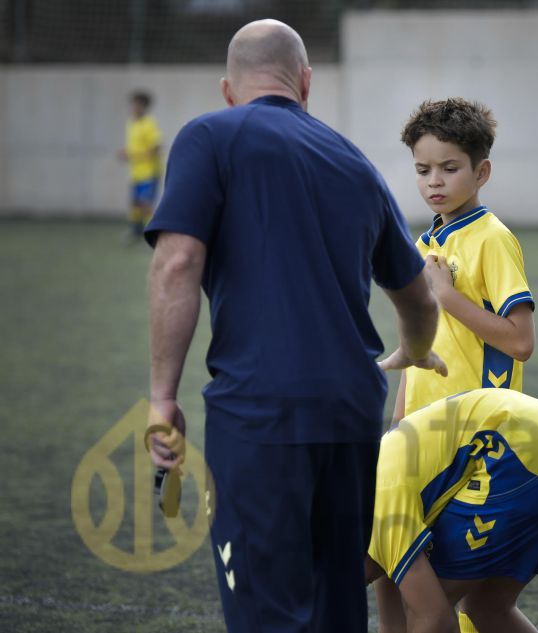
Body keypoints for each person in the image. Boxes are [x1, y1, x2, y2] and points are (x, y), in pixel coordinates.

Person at [144, 19, 445, 633]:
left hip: (262, 412)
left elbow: (177, 261)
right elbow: (419, 298)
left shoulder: (209, 136)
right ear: (305, 83)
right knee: (338, 606)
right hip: (351, 414)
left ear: (228, 89)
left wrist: (161, 398)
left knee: (267, 611)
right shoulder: (355, 163)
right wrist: (413, 351)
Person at [364, 388, 538, 633]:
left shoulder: (383, 518)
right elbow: (392, 625)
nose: (361, 584)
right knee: (487, 607)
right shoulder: (368, 511)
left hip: (532, 457)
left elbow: (435, 620)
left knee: (428, 605)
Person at [380, 98, 536, 426]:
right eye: (423, 170)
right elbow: (418, 343)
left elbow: (521, 343)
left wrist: (448, 298)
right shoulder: (423, 245)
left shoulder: (492, 239)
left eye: (449, 169)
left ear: (481, 172)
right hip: (423, 424)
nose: (434, 180)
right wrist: (398, 421)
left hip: (476, 427)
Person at [118, 90, 162, 240]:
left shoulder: (149, 123)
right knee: (135, 203)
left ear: (144, 106)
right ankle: (136, 232)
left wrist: (133, 156)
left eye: (137, 104)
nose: (134, 107)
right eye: (133, 103)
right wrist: (126, 153)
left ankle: (152, 232)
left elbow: (156, 148)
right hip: (136, 172)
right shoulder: (131, 123)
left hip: (149, 172)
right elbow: (134, 146)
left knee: (145, 203)